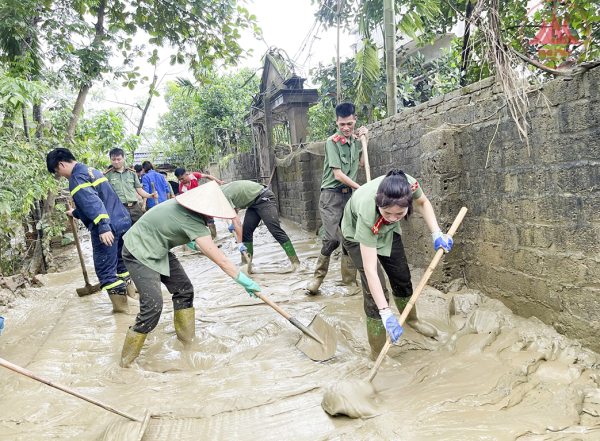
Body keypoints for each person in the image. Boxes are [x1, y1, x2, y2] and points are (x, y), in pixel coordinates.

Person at [119, 181, 262, 367]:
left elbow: (169, 228)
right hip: (138, 250)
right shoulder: (193, 221)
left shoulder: (186, 210)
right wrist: (245, 281)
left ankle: (187, 344)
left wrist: (195, 242)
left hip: (158, 248)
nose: (212, 217)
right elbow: (222, 261)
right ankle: (125, 363)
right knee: (152, 307)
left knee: (184, 290)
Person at [340, 169, 453, 360]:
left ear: (407, 203)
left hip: (388, 232)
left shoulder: (409, 184)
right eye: (387, 212)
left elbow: (423, 202)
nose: (393, 218)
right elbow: (370, 270)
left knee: (401, 275)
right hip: (357, 234)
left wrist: (436, 233)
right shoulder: (368, 213)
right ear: (379, 203)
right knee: (375, 294)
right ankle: (376, 353)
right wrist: (386, 313)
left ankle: (412, 320)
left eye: (400, 213)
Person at [46, 148, 133, 313]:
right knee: (121, 265)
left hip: (108, 228)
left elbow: (93, 202)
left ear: (61, 164)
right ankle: (133, 299)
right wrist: (76, 212)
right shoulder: (91, 170)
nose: (62, 175)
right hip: (122, 222)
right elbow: (100, 199)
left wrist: (103, 226)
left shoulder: (77, 178)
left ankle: (122, 313)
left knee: (106, 272)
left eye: (58, 171)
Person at [306, 102, 368, 294]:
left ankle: (349, 282)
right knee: (332, 239)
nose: (346, 128)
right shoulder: (331, 142)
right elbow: (339, 175)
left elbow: (360, 165)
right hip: (331, 197)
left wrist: (366, 140)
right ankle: (317, 279)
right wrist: (362, 189)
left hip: (349, 196)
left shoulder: (355, 141)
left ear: (355, 120)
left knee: (351, 238)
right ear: (337, 122)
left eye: (350, 124)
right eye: (342, 125)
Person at [221, 180, 300, 270]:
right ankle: (246, 264)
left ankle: (296, 263)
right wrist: (233, 223)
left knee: (275, 231)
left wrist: (239, 243)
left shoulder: (223, 196)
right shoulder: (221, 191)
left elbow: (237, 222)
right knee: (246, 232)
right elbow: (236, 204)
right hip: (252, 203)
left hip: (264, 198)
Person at [104, 148, 157, 225]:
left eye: (119, 159)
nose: (116, 162)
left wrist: (150, 195)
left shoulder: (132, 173)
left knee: (140, 229)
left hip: (135, 207)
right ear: (110, 160)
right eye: (113, 159)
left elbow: (139, 190)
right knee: (123, 232)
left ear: (123, 158)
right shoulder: (107, 175)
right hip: (119, 208)